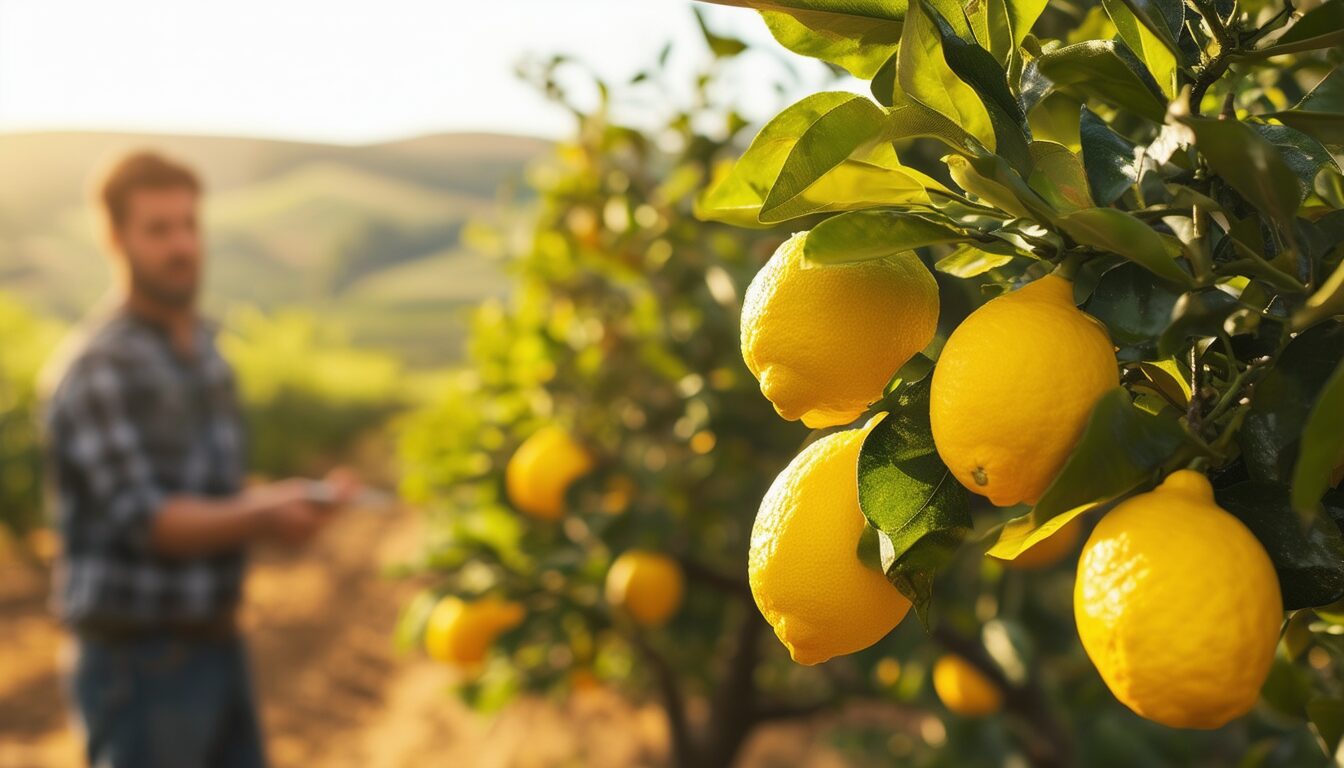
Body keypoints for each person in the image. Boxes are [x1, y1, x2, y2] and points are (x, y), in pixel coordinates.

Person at [40, 150, 358, 768]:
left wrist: (289, 509)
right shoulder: (96, 370)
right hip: (140, 666)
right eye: (158, 229)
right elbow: (150, 522)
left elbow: (217, 500)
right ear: (115, 238)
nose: (181, 245)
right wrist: (267, 510)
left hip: (219, 644)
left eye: (189, 225)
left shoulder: (208, 354)